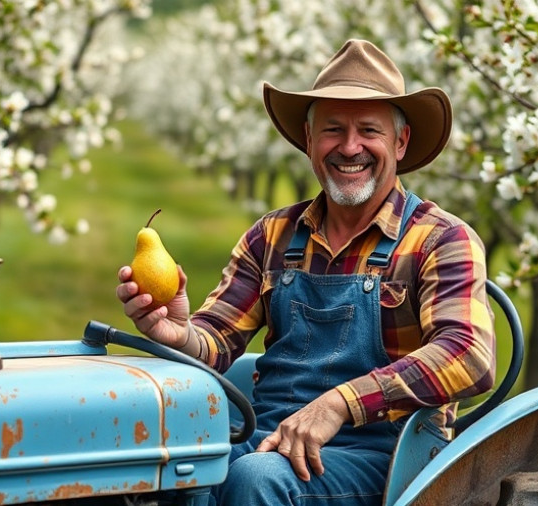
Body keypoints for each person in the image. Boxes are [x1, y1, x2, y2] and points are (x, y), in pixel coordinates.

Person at [116, 39, 496, 506]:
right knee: (173, 472)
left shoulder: (440, 239)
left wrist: (340, 404)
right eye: (333, 129)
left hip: (387, 455)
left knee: (257, 479)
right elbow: (215, 342)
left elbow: (469, 356)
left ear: (400, 142)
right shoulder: (272, 235)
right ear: (310, 141)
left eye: (368, 131)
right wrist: (177, 334)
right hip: (269, 435)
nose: (350, 146)